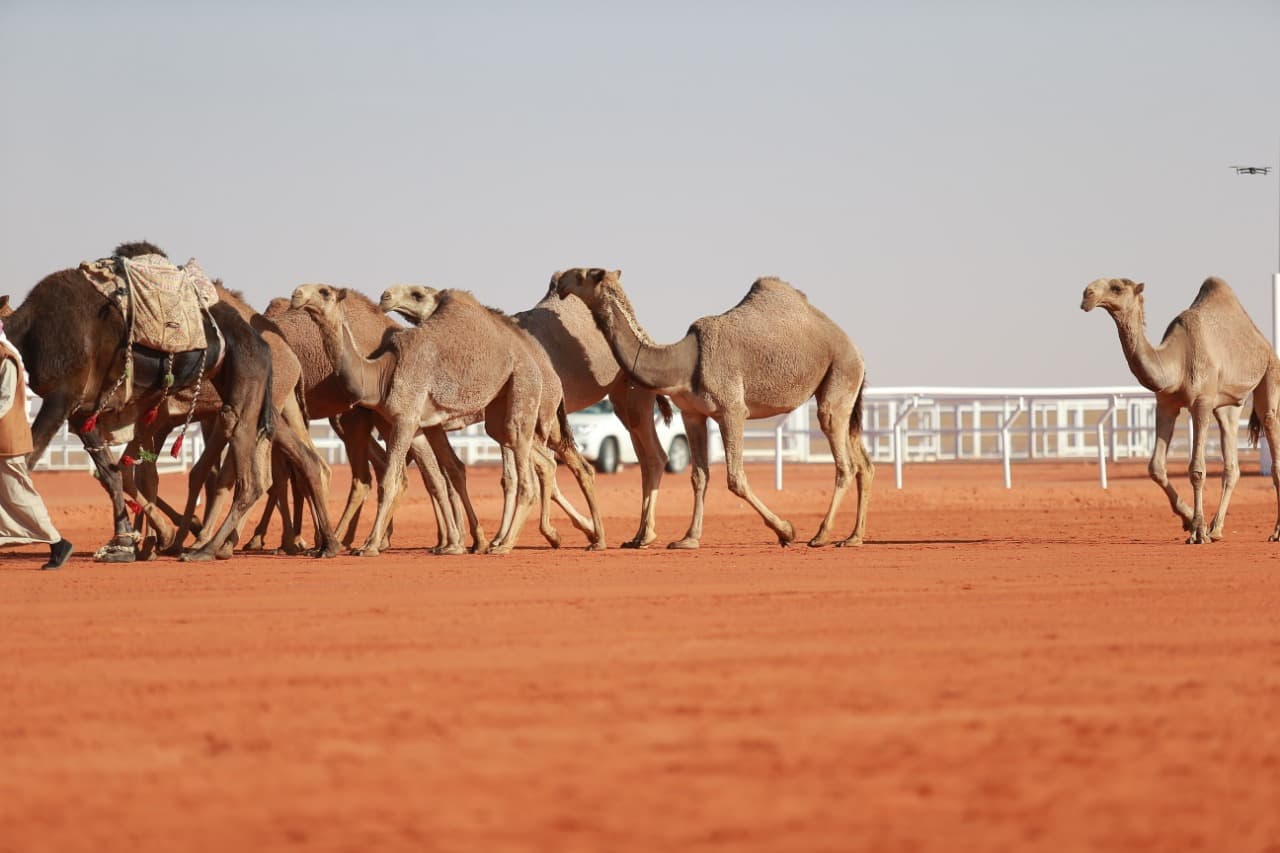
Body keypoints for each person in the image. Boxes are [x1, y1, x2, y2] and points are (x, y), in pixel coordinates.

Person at [0, 320, 72, 569]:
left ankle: (57, 543)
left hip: (7, 441)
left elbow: (5, 401)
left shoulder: (6, 359)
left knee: (19, 495)